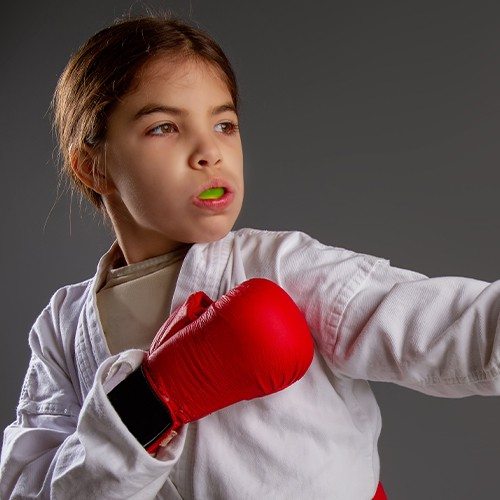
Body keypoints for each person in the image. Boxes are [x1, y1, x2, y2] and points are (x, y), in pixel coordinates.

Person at [1, 13, 499, 500]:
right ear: (93, 166)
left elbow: (439, 325)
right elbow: (28, 488)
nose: (209, 152)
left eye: (224, 124)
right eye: (163, 128)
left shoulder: (280, 265)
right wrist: (151, 401)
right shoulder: (62, 329)